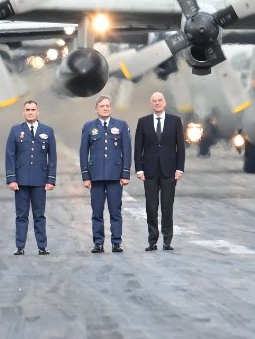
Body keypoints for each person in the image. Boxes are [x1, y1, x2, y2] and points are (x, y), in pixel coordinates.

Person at [79, 94, 131, 254]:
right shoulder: (89, 127)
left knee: (115, 211)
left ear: (111, 107)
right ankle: (98, 243)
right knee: (97, 212)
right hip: (96, 177)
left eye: (108, 105)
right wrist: (86, 176)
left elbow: (127, 150)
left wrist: (125, 174)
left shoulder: (121, 125)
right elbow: (83, 152)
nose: (105, 108)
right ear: (96, 109)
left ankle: (116, 242)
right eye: (102, 106)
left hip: (115, 177)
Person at [134, 91, 185, 251]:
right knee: (151, 206)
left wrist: (180, 168)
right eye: (154, 101)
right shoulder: (143, 122)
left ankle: (167, 240)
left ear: (164, 103)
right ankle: (152, 240)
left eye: (160, 100)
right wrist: (139, 169)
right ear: (151, 104)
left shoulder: (175, 121)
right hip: (149, 171)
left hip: (169, 170)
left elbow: (180, 147)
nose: (157, 103)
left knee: (167, 206)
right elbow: (138, 148)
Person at [5, 99, 57, 255]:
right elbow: (10, 156)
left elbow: (52, 157)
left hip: (40, 181)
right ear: (23, 112)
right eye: (27, 110)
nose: (30, 112)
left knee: (39, 215)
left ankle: (42, 246)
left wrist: (51, 179)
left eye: (32, 109)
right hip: (20, 181)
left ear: (37, 111)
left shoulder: (47, 131)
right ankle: (20, 247)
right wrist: (11, 178)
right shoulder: (15, 131)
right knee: (21, 215)